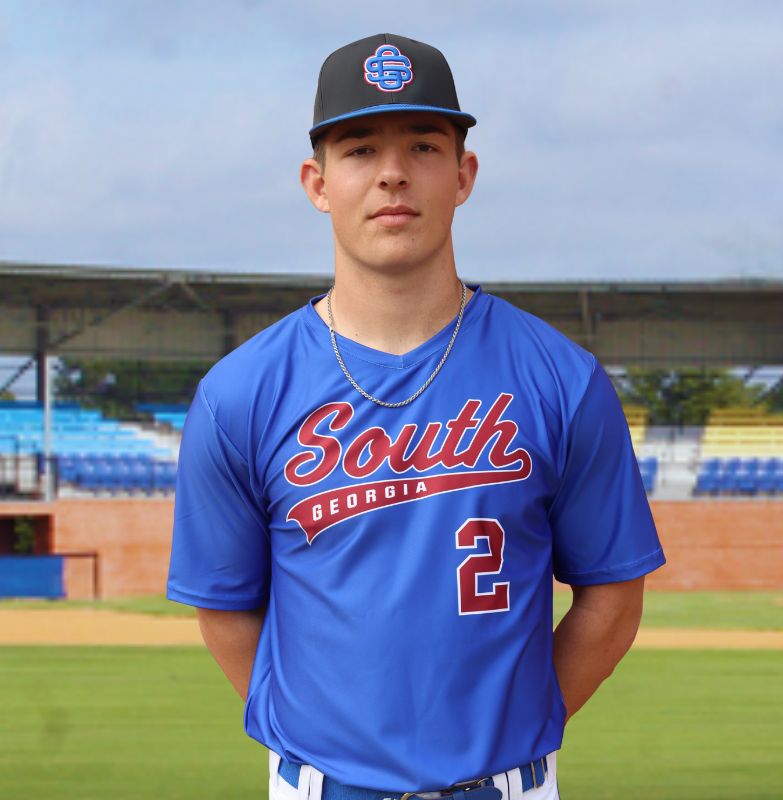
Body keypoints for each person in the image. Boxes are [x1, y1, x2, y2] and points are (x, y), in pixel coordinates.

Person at [166, 33, 666, 800]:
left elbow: (612, 595)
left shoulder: (560, 378)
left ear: (464, 174)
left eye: (424, 146)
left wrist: (511, 733)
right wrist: (321, 741)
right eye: (360, 148)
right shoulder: (241, 392)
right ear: (317, 181)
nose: (393, 173)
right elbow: (226, 610)